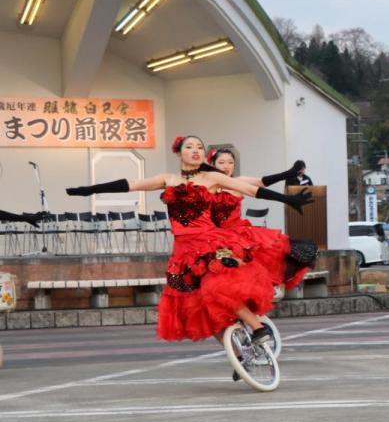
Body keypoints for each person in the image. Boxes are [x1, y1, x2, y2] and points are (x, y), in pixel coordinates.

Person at [66, 135, 311, 346]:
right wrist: (89, 189)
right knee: (197, 306)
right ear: (179, 152)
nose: (195, 151)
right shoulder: (168, 179)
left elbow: (252, 189)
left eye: (199, 148)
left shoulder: (212, 178)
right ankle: (239, 353)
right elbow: (130, 184)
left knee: (218, 287)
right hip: (182, 249)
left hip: (210, 242)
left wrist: (289, 200)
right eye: (189, 147)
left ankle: (258, 327)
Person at [207, 147, 316, 291]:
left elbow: (262, 182)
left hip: (237, 235)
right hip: (211, 236)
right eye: (221, 162)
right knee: (216, 280)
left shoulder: (239, 182)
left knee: (238, 276)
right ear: (213, 164)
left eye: (230, 162)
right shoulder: (206, 185)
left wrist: (289, 174)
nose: (226, 166)